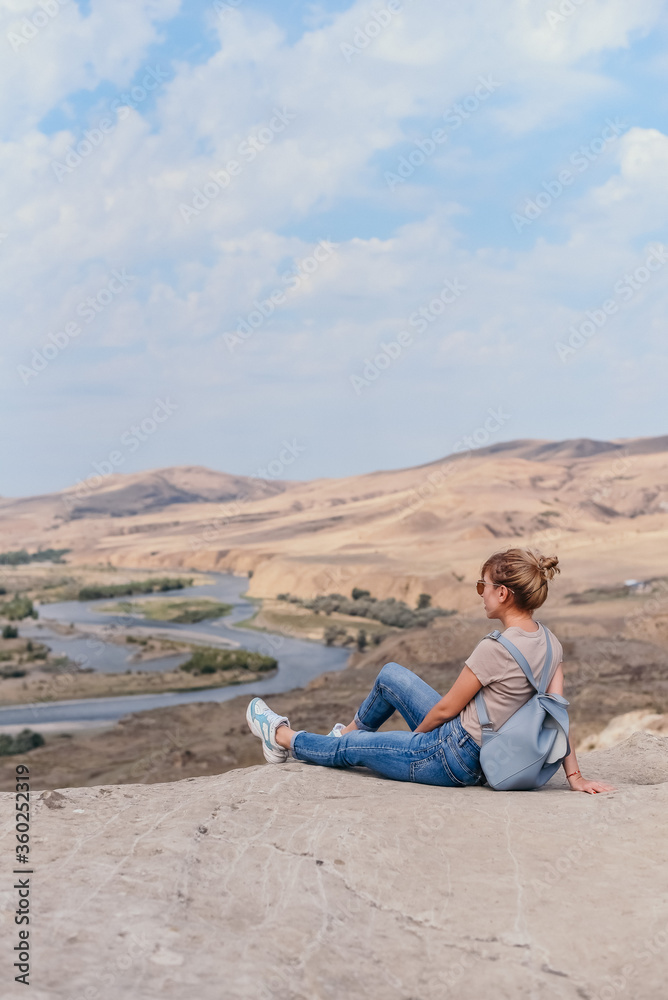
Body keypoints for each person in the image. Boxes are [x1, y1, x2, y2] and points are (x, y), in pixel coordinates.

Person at [246, 548, 617, 794]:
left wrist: (417, 743)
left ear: (503, 593)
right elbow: (558, 714)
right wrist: (575, 777)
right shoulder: (552, 642)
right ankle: (348, 731)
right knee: (391, 674)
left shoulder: (495, 649)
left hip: (451, 757)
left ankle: (280, 737)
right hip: (480, 744)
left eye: (482, 586)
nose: (480, 594)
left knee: (351, 752)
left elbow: (444, 711)